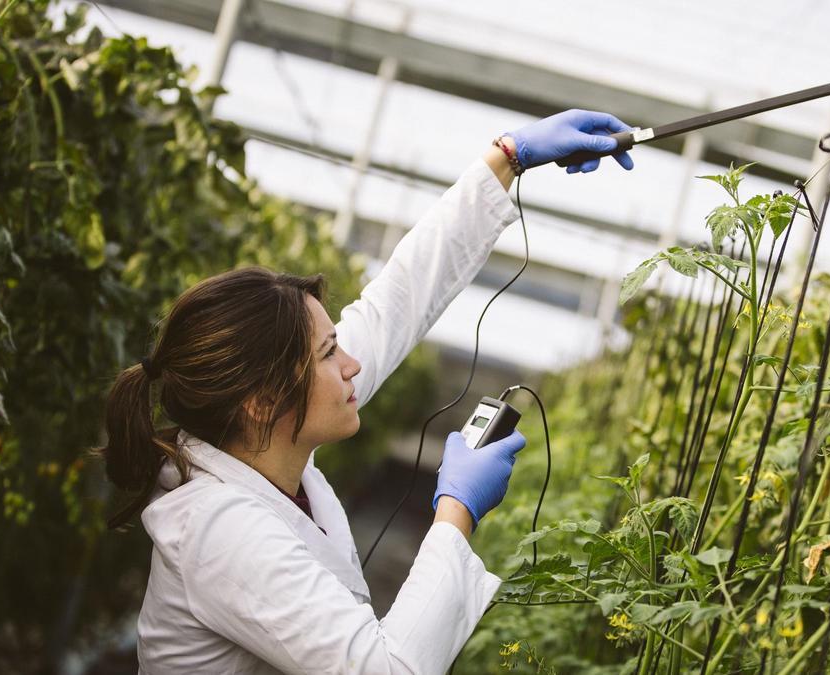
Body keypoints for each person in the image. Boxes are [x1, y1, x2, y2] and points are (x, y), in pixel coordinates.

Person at [99, 109, 636, 674]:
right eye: (329, 352)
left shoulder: (261, 452)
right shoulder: (219, 531)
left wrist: (507, 156)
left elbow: (392, 306)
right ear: (260, 401)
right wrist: (456, 512)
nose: (353, 362)